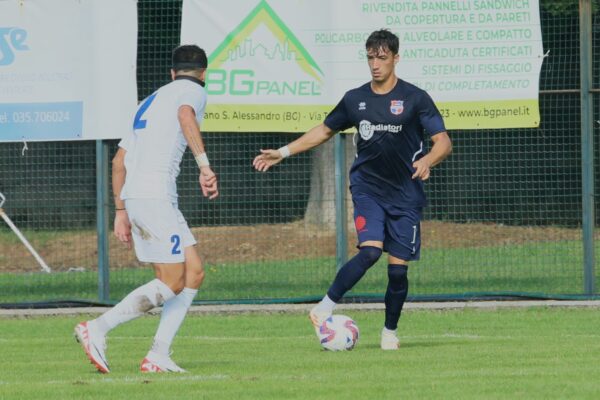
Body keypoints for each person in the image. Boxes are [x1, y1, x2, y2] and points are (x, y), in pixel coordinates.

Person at [253, 29, 452, 350]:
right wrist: (283, 152)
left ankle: (389, 332)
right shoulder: (355, 99)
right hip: (367, 189)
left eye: (382, 58)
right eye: (371, 57)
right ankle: (323, 308)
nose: (375, 64)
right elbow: (324, 130)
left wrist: (429, 159)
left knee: (398, 272)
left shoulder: (416, 98)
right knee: (371, 250)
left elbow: (443, 142)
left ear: (396, 59)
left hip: (405, 195)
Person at [74, 44, 218, 373]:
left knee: (193, 271)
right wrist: (204, 166)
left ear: (171, 72)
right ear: (204, 73)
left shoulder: (149, 101)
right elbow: (185, 116)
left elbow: (118, 162)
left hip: (143, 196)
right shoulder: (192, 91)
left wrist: (121, 211)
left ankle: (158, 354)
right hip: (155, 196)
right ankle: (97, 328)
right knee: (171, 281)